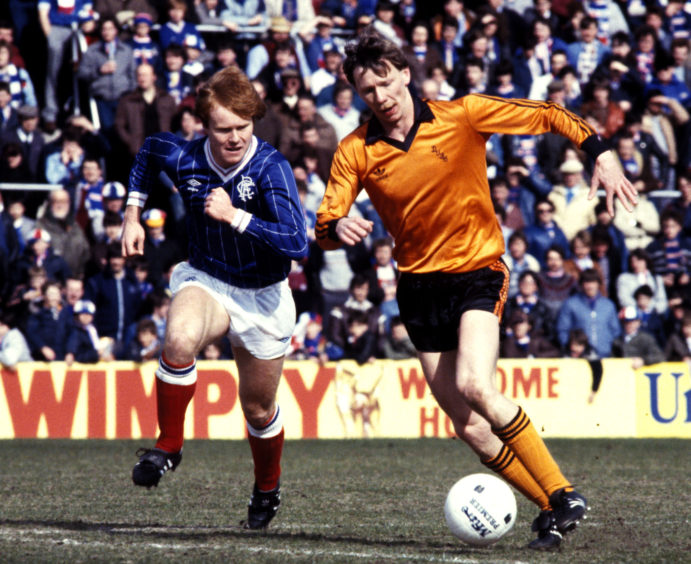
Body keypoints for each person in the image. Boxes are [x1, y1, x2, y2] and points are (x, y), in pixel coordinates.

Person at [315, 27, 637, 550]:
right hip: (417, 287)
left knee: (475, 384)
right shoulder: (356, 150)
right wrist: (337, 230)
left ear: (404, 74)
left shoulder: (461, 114)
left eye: (384, 84)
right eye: (366, 91)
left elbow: (551, 113)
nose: (379, 98)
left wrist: (600, 151)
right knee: (467, 426)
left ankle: (564, 491)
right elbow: (325, 225)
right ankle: (554, 508)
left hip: (477, 271)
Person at [122, 65, 308, 530]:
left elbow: (298, 243)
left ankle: (267, 485)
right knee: (178, 340)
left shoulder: (270, 167)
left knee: (258, 408)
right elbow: (147, 153)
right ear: (203, 125)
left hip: (263, 296)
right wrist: (132, 212)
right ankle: (168, 445)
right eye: (223, 129)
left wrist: (236, 216)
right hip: (207, 278)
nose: (235, 137)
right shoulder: (185, 155)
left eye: (243, 127)